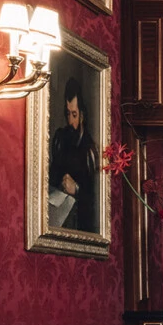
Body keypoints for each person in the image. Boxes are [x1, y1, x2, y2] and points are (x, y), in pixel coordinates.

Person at [48, 77, 98, 231]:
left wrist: (76, 189)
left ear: (82, 115)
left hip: (80, 221)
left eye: (74, 115)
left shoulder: (89, 150)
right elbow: (51, 176)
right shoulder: (60, 138)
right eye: (68, 113)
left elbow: (95, 199)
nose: (70, 121)